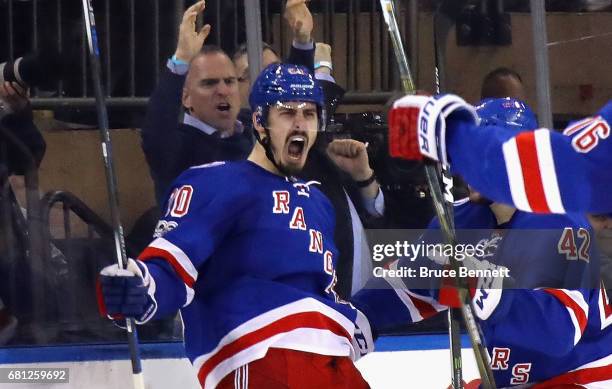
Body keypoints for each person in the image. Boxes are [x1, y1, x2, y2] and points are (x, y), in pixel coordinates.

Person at [99, 63, 381, 389]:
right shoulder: (217, 183)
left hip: (337, 368)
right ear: (259, 122)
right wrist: (140, 289)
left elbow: (336, 302)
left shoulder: (319, 203)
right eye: (288, 113)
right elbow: (172, 266)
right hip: (265, 358)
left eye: (310, 113)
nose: (301, 123)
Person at [387, 92, 612, 214]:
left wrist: (450, 135)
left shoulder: (561, 225)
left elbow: (574, 170)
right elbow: (404, 290)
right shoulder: (460, 217)